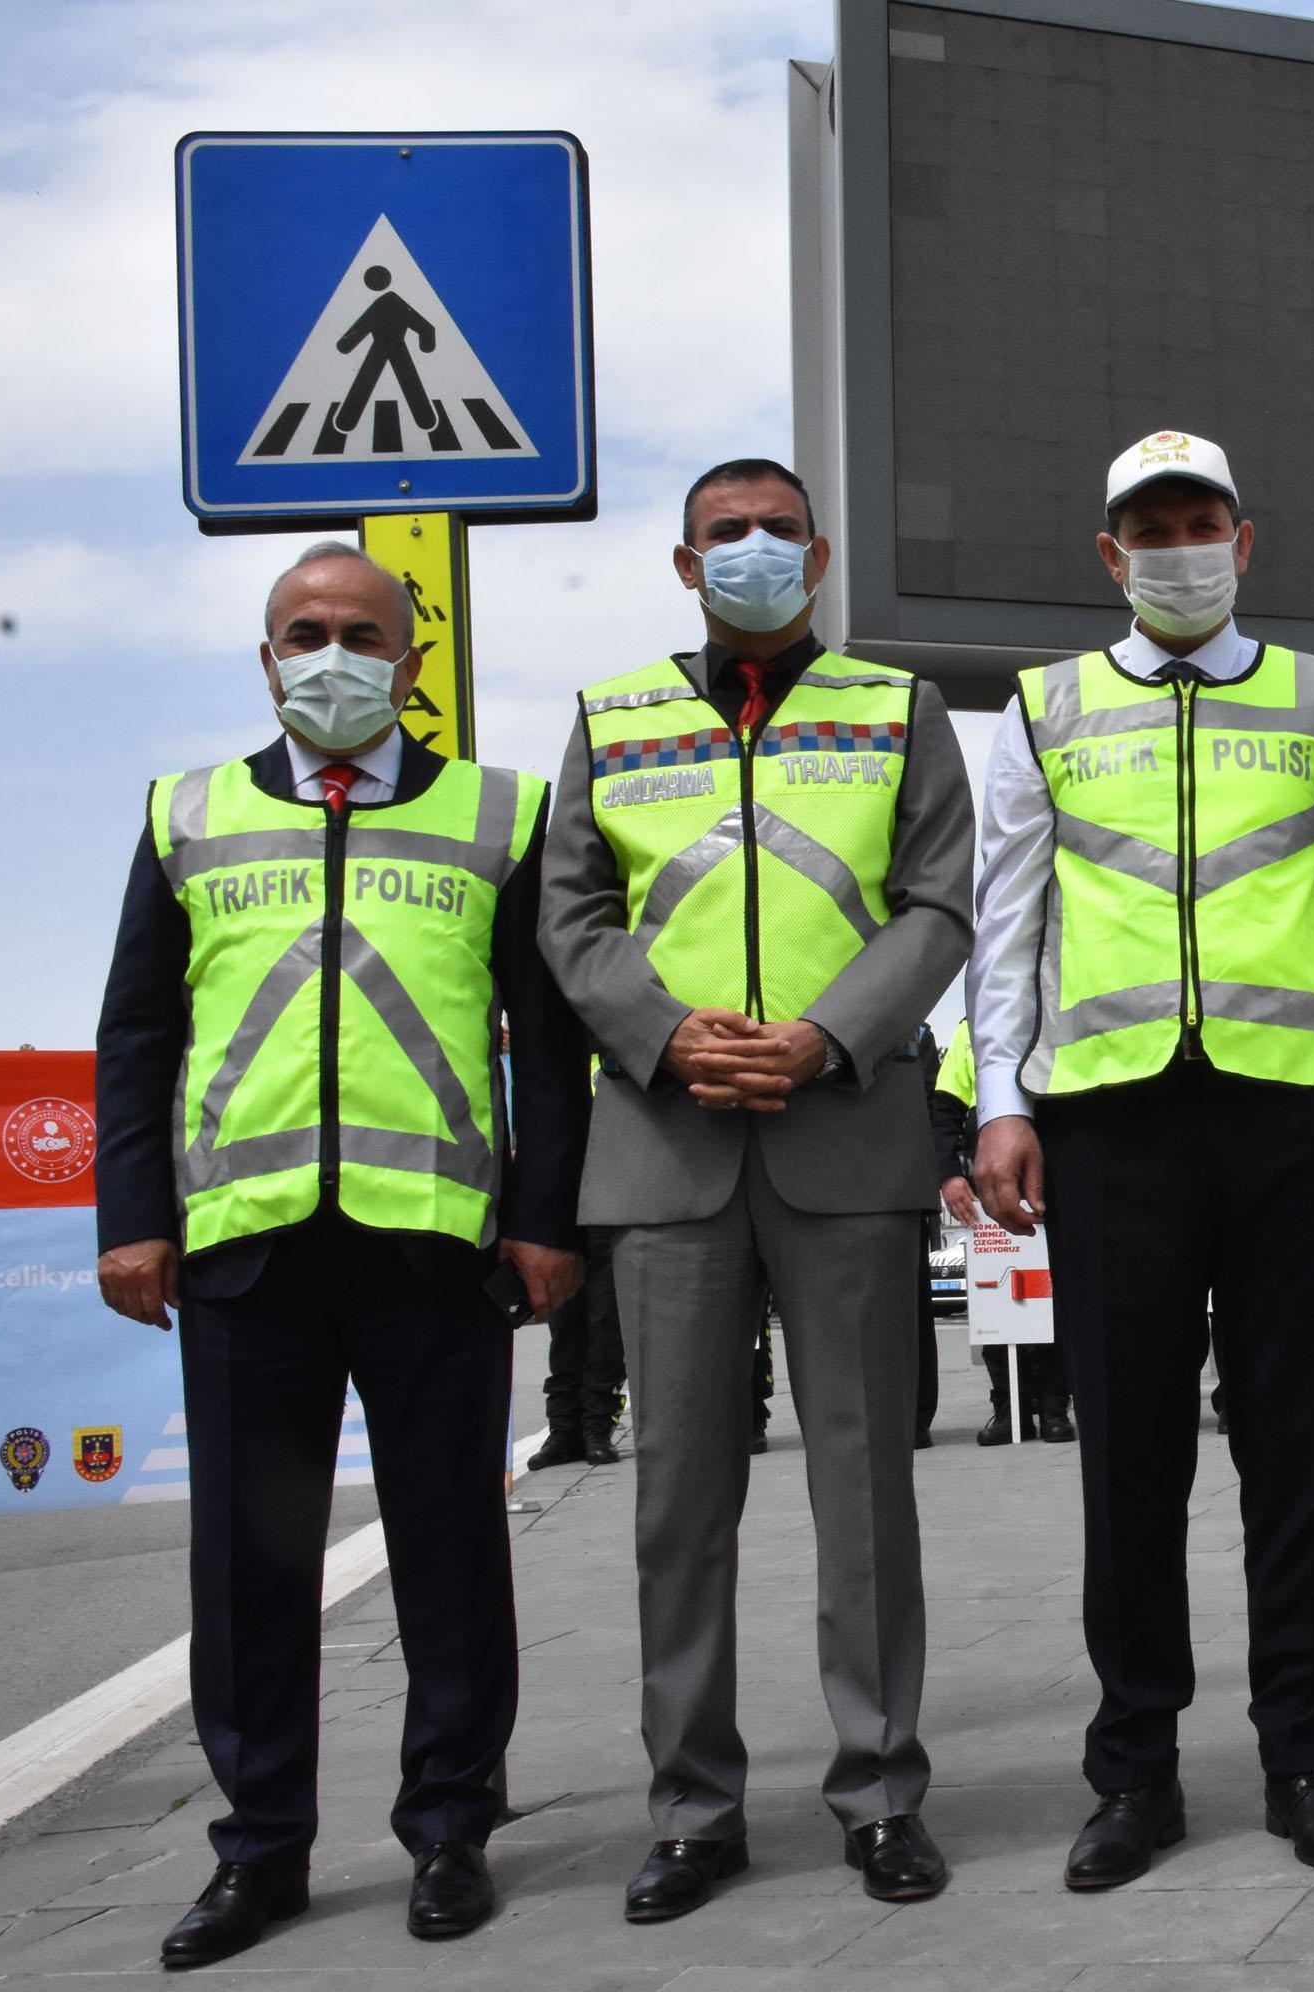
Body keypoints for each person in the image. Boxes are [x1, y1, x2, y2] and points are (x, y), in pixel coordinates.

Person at [93, 542, 588, 1964]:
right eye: (303, 632)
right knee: (248, 1571)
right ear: (265, 658)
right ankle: (260, 1852)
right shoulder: (185, 815)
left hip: (430, 1252)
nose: (331, 654)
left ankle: (448, 1831)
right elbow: (138, 1034)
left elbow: (546, 1053)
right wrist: (133, 1216)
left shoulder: (500, 814)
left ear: (412, 663)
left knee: (449, 1553)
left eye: (361, 633)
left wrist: (544, 1221)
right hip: (243, 1256)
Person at [968, 429, 1314, 1891]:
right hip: (1109, 1120)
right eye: (1147, 527)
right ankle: (1137, 1774)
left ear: (1248, 539)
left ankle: (1305, 1759)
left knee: (1294, 1448)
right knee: (1131, 1461)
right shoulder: (1042, 707)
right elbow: (1009, 925)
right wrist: (1000, 1099)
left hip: (1291, 1111)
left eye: (1200, 521)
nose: (1176, 546)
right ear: (1109, 554)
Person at [541, 457, 970, 1920]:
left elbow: (939, 903)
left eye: (780, 533)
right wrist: (667, 1038)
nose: (755, 554)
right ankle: (692, 1809)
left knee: (865, 1490)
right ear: (684, 566)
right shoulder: (612, 720)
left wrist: (825, 1036)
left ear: (822, 552)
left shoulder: (894, 708)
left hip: (844, 1135)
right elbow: (573, 915)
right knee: (678, 1500)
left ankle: (881, 1790)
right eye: (726, 536)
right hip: (665, 1151)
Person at [933, 1017, 1072, 1445]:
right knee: (998, 1303)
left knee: (1053, 1305)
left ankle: (1053, 1408)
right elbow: (943, 1110)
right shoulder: (969, 1029)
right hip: (991, 1195)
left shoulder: (1059, 1011)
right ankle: (1009, 1409)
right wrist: (948, 1175)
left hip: (1054, 1188)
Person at [526, 1215, 629, 1469]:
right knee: (563, 1325)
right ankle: (564, 1431)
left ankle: (597, 1428)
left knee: (606, 1323)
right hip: (563, 1213)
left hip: (608, 1212)